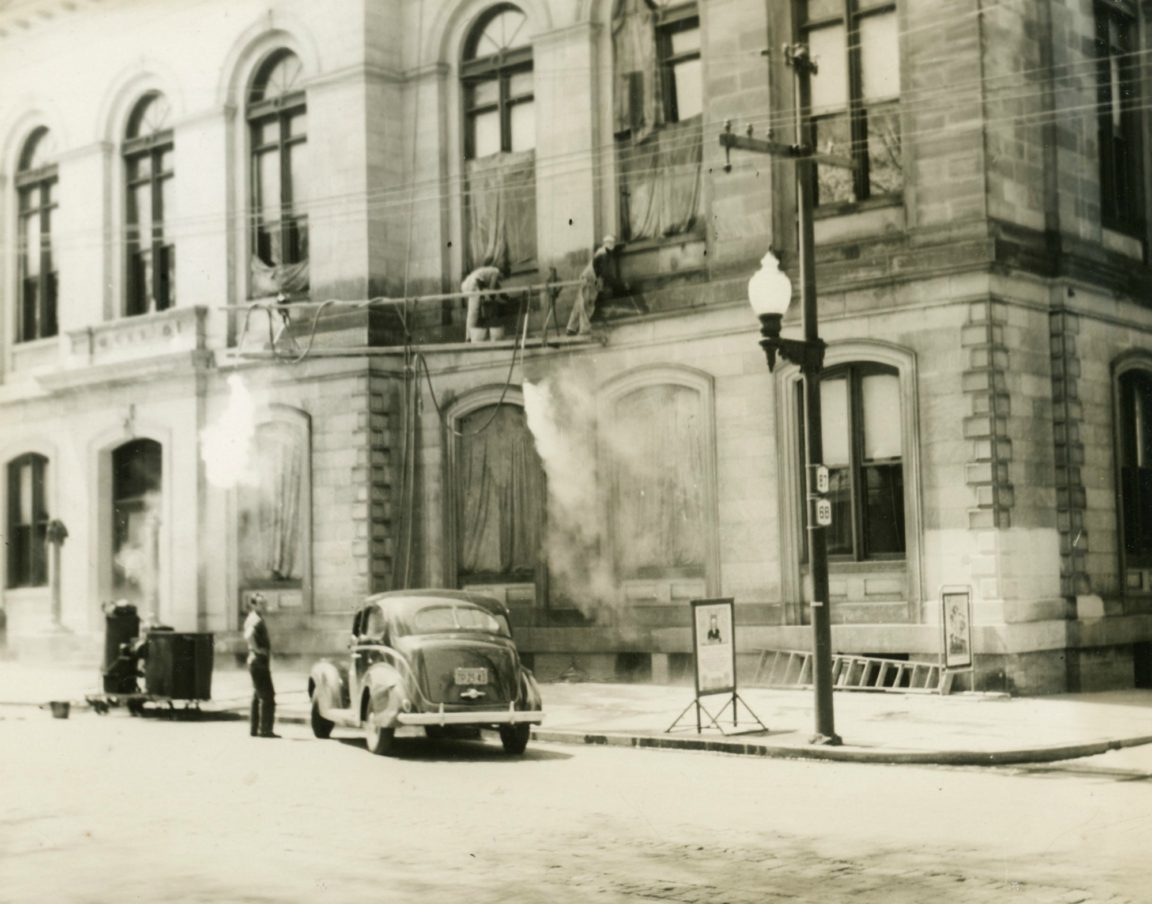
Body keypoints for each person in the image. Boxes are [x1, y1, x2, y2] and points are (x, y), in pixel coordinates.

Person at [567, 234, 631, 336]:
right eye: (612, 245)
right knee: (586, 305)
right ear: (609, 246)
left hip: (589, 280)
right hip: (589, 281)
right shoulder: (603, 255)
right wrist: (621, 285)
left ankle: (571, 328)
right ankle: (583, 329)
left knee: (581, 303)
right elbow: (606, 274)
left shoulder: (601, 252)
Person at [244, 593, 277, 738]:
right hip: (259, 661)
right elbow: (249, 636)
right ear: (253, 604)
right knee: (268, 696)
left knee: (258, 695)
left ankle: (254, 729)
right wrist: (258, 649)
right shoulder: (256, 620)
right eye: (260, 603)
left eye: (264, 603)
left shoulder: (251, 618)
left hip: (254, 660)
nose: (263, 606)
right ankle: (265, 730)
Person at [461, 263, 504, 341]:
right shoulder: (496, 272)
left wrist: (506, 297)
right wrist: (487, 297)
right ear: (502, 273)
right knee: (474, 313)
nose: (502, 279)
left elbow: (498, 288)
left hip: (466, 284)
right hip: (473, 285)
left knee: (472, 313)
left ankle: (469, 336)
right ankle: (469, 337)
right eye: (503, 277)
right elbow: (491, 290)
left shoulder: (491, 271)